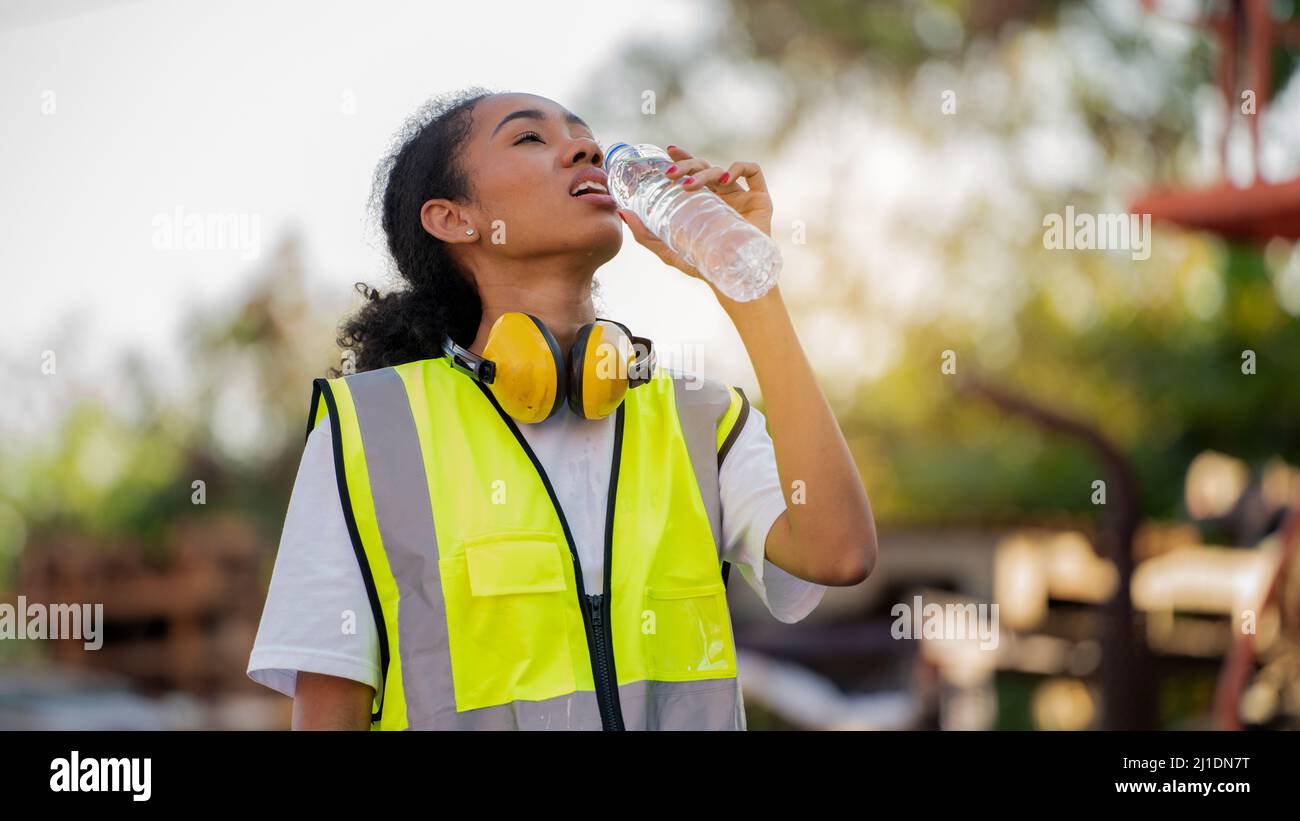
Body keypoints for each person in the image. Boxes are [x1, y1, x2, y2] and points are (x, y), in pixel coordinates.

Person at [247, 88, 877, 730]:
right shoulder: (370, 428)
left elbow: (839, 555)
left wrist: (747, 280)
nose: (586, 149)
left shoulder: (700, 415)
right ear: (452, 218)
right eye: (530, 138)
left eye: (583, 135)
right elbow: (329, 712)